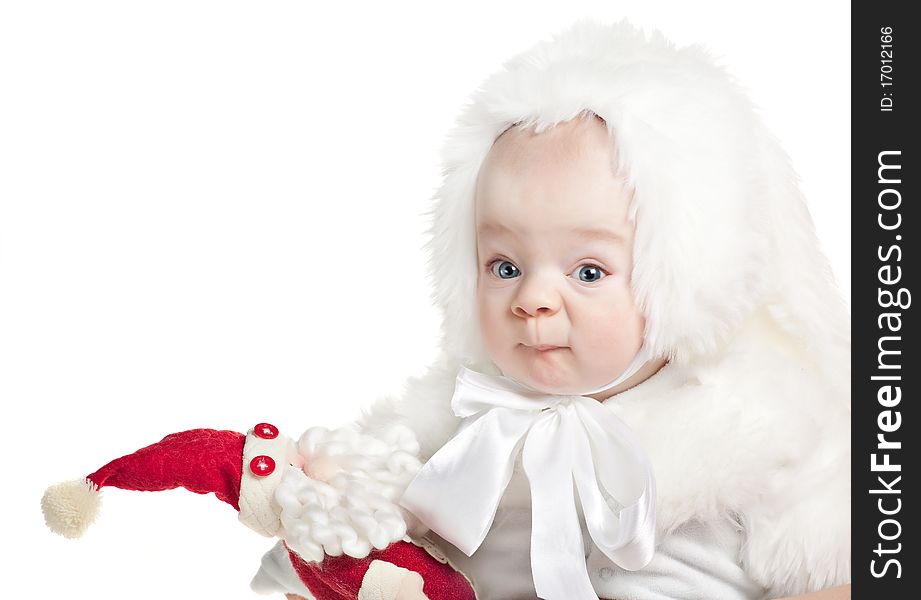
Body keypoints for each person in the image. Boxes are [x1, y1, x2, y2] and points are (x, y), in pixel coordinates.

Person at [252, 19, 850, 599]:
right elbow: (321, 559)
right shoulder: (450, 436)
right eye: (505, 267)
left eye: (588, 272)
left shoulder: (755, 436)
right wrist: (326, 511)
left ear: (690, 279)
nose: (532, 300)